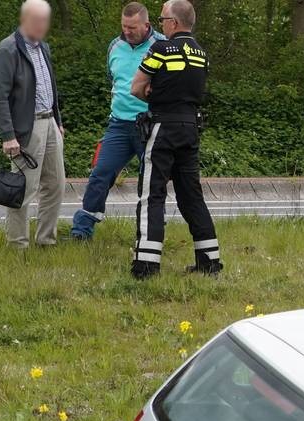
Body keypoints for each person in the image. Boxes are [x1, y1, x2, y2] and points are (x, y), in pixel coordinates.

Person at [129, 0, 221, 279]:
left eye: (163, 19)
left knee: (151, 195)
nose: (161, 24)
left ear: (175, 23)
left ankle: (146, 265)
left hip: (163, 127)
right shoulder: (202, 54)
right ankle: (209, 262)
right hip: (190, 128)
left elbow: (136, 87)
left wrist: (152, 93)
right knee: (191, 195)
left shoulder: (160, 48)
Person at [70, 2, 165, 240]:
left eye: (132, 27)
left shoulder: (163, 45)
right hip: (119, 124)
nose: (127, 31)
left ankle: (149, 232)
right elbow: (114, 79)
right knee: (100, 172)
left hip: (149, 124)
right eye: (124, 26)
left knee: (151, 180)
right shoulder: (115, 46)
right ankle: (82, 230)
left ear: (146, 24)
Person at [0, 0, 65, 249]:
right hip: (26, 127)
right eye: (38, 20)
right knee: (22, 189)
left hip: (49, 122)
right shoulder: (8, 49)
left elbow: (50, 86)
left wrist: (58, 120)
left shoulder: (43, 47)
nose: (42, 26)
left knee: (55, 185)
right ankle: (17, 245)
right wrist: (8, 135)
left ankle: (46, 242)